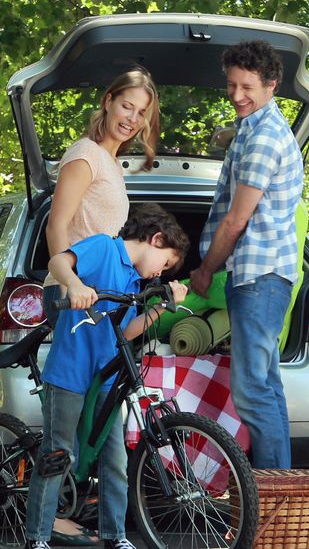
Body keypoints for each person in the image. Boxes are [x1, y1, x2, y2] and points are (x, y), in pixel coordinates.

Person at [26, 203, 190, 549]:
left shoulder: (134, 280)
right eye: (165, 262)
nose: (160, 273)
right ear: (155, 239)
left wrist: (161, 306)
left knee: (115, 459)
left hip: (106, 377)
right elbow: (58, 261)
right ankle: (36, 538)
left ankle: (115, 536)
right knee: (57, 455)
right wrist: (73, 285)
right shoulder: (102, 247)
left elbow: (128, 332)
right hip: (70, 371)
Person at [188, 40, 302, 470]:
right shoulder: (252, 129)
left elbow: (236, 221)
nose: (237, 95)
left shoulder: (264, 139)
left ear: (272, 85)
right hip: (260, 277)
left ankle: (272, 494)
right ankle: (278, 493)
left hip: (259, 276)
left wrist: (204, 272)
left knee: (253, 391)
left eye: (248, 86)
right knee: (266, 388)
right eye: (232, 85)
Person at [43, 66, 161, 328]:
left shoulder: (113, 164)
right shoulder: (86, 154)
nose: (132, 118)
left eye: (141, 112)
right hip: (75, 292)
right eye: (127, 106)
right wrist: (70, 284)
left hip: (98, 293)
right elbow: (56, 225)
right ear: (109, 101)